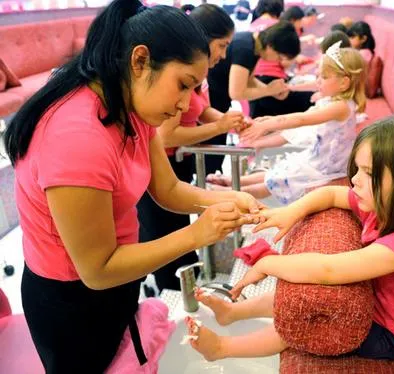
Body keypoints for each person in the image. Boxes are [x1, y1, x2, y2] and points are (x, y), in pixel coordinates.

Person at [3, 1, 263, 372]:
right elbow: (97, 268)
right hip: (71, 300)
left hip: (118, 276)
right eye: (183, 85)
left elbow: (168, 190)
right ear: (140, 61)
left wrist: (224, 198)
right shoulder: (77, 138)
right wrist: (197, 235)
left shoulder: (131, 108)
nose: (185, 104)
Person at [187, 114, 394, 362]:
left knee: (304, 316)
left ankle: (222, 348)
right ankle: (232, 313)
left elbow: (327, 270)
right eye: (356, 169)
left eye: (368, 173)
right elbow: (330, 194)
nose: (354, 180)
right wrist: (291, 212)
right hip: (374, 301)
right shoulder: (387, 206)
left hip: (390, 335)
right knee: (290, 295)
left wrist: (266, 263)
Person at [137, 3, 247, 291]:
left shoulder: (197, 77)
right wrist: (220, 127)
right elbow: (166, 137)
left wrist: (226, 120)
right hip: (163, 167)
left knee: (181, 232)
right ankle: (173, 295)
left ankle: (189, 286)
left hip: (178, 169)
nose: (223, 55)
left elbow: (201, 110)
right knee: (165, 239)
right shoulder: (174, 85)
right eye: (221, 46)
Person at [207, 44, 366, 205]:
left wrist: (268, 125)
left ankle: (231, 192)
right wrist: (269, 119)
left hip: (326, 168)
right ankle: (234, 180)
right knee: (277, 172)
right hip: (317, 158)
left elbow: (301, 120)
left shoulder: (341, 107)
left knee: (274, 183)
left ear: (344, 83)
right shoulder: (332, 101)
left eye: (323, 77)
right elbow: (303, 117)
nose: (318, 81)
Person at [205, 21, 300, 174]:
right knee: (210, 160)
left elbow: (248, 79)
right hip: (211, 104)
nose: (278, 61)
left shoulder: (252, 45)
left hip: (217, 103)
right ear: (270, 46)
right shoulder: (245, 49)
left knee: (214, 157)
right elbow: (236, 92)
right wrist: (268, 90)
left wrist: (271, 91)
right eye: (279, 56)